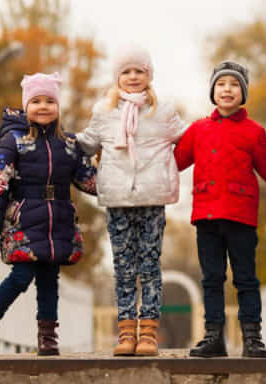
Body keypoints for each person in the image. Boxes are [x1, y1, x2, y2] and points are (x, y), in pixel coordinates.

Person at [0, 72, 97, 357]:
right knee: (21, 276)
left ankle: (47, 339)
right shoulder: (14, 142)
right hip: (25, 218)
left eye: (50, 101)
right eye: (36, 101)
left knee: (50, 279)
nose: (43, 106)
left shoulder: (70, 144)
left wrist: (119, 180)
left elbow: (88, 179)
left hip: (58, 220)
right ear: (26, 107)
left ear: (58, 107)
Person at [76, 45, 187, 356]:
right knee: (124, 267)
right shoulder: (103, 111)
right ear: (117, 77)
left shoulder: (163, 111)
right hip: (117, 199)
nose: (133, 76)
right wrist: (57, 135)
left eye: (139, 71)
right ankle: (126, 331)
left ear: (149, 75)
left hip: (153, 198)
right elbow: (85, 145)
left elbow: (188, 141)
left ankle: (149, 332)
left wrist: (171, 170)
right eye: (126, 71)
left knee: (150, 265)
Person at [174, 60, 266, 358]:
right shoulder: (198, 129)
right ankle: (213, 336)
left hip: (241, 215)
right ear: (213, 92)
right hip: (206, 216)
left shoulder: (254, 132)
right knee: (211, 278)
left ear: (243, 93)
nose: (227, 90)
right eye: (221, 84)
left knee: (246, 278)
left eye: (233, 85)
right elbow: (174, 162)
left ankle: (252, 337)